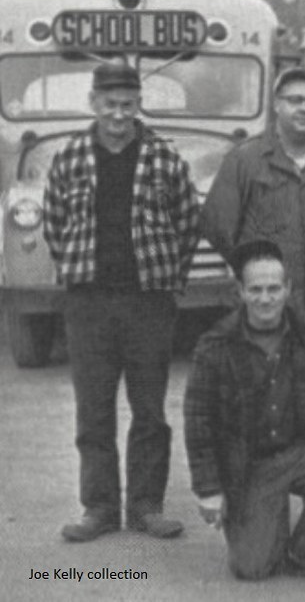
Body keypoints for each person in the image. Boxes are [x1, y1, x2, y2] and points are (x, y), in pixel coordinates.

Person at [43, 62, 200, 542]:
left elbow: (188, 222)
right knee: (93, 410)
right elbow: (54, 222)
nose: (118, 114)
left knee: (149, 410)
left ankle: (147, 506)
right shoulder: (68, 156)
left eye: (127, 105)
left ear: (138, 105)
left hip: (147, 304)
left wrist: (166, 276)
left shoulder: (165, 157)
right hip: (88, 304)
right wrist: (79, 270)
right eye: (109, 104)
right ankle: (99, 508)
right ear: (93, 104)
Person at [183, 240, 305, 582]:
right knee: (252, 568)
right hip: (248, 463)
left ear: (288, 289)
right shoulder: (214, 345)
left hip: (300, 451)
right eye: (255, 289)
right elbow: (198, 423)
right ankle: (268, 518)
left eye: (273, 288)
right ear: (240, 291)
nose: (265, 299)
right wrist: (208, 488)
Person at [202, 67, 305, 369]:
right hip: (265, 310)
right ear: (277, 104)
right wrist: (253, 267)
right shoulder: (245, 159)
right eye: (295, 100)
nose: (304, 108)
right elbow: (217, 224)